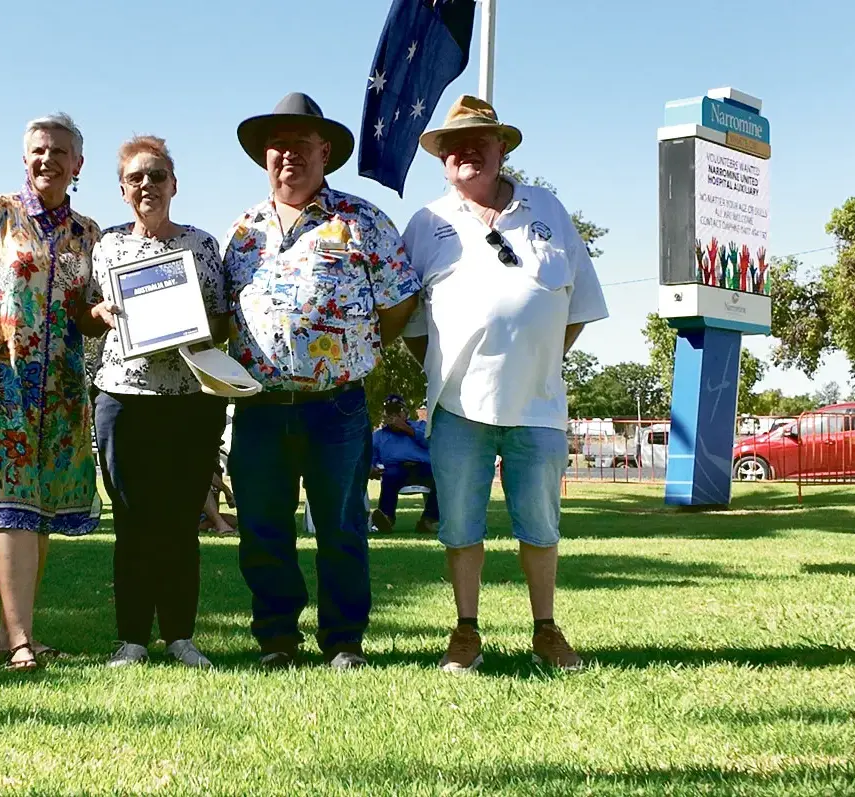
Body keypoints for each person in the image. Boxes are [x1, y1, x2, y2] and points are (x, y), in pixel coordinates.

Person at [401, 96, 609, 673]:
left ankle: (546, 630)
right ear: (442, 160)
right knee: (461, 526)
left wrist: (536, 356)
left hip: (538, 405)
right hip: (458, 406)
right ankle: (466, 632)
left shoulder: (549, 209)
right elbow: (413, 323)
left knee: (541, 526)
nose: (464, 152)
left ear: (502, 148)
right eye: (451, 146)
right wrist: (446, 367)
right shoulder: (427, 223)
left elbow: (576, 308)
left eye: (478, 141)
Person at [222, 92, 421, 670]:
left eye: (302, 143)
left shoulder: (362, 221)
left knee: (340, 526)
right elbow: (222, 313)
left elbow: (398, 302)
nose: (288, 154)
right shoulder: (243, 230)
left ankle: (343, 641)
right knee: (262, 526)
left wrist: (352, 351)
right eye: (278, 144)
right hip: (258, 406)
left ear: (325, 151)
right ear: (264, 154)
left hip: (336, 406)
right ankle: (278, 638)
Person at [0, 113, 101, 672]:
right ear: (24, 156)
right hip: (0, 382)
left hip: (59, 387)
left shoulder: (89, 234)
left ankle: (13, 630)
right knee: (12, 505)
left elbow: (85, 315)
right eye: (38, 150)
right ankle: (19, 643)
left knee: (39, 508)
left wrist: (106, 315)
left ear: (77, 165)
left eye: (60, 152)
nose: (47, 160)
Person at [81, 135, 229, 669]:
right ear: (123, 190)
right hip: (123, 399)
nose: (148, 185)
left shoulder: (203, 244)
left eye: (157, 176)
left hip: (190, 399)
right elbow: (83, 314)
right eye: (137, 178)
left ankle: (181, 636)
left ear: (174, 184)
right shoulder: (106, 247)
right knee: (133, 521)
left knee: (180, 521)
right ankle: (131, 640)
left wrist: (185, 326)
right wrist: (98, 315)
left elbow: (223, 320)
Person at [369, 394, 440, 535]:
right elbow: (371, 457)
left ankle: (428, 520)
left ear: (405, 413)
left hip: (422, 466)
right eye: (389, 413)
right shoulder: (379, 435)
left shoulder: (420, 426)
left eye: (397, 412)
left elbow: (432, 443)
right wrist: (371, 468)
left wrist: (407, 429)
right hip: (395, 468)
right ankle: (387, 518)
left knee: (440, 477)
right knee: (390, 475)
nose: (393, 416)